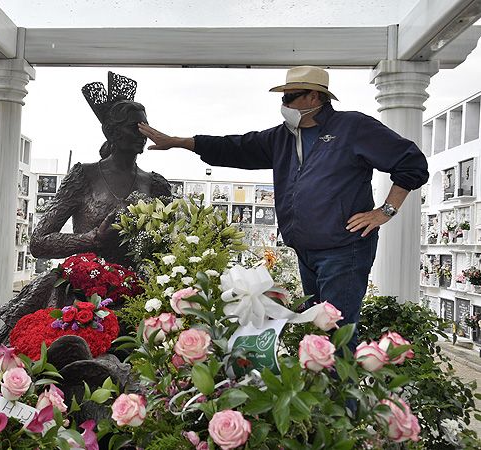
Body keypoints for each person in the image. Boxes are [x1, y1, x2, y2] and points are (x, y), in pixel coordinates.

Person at [138, 66, 429, 350]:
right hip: (306, 252)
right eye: (282, 97)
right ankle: (322, 396)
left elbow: (411, 163)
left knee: (337, 335)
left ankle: (343, 399)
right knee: (318, 334)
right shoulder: (282, 137)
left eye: (290, 97)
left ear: (315, 97)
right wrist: (179, 142)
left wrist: (385, 212)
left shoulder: (353, 127)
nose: (283, 103)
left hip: (344, 250)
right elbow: (235, 147)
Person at [0, 72, 171, 347]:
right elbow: (39, 242)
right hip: (80, 295)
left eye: (146, 125)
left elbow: (166, 248)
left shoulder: (156, 185)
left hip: (137, 296)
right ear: (111, 132)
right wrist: (92, 239)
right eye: (135, 126)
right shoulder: (84, 176)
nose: (143, 133)